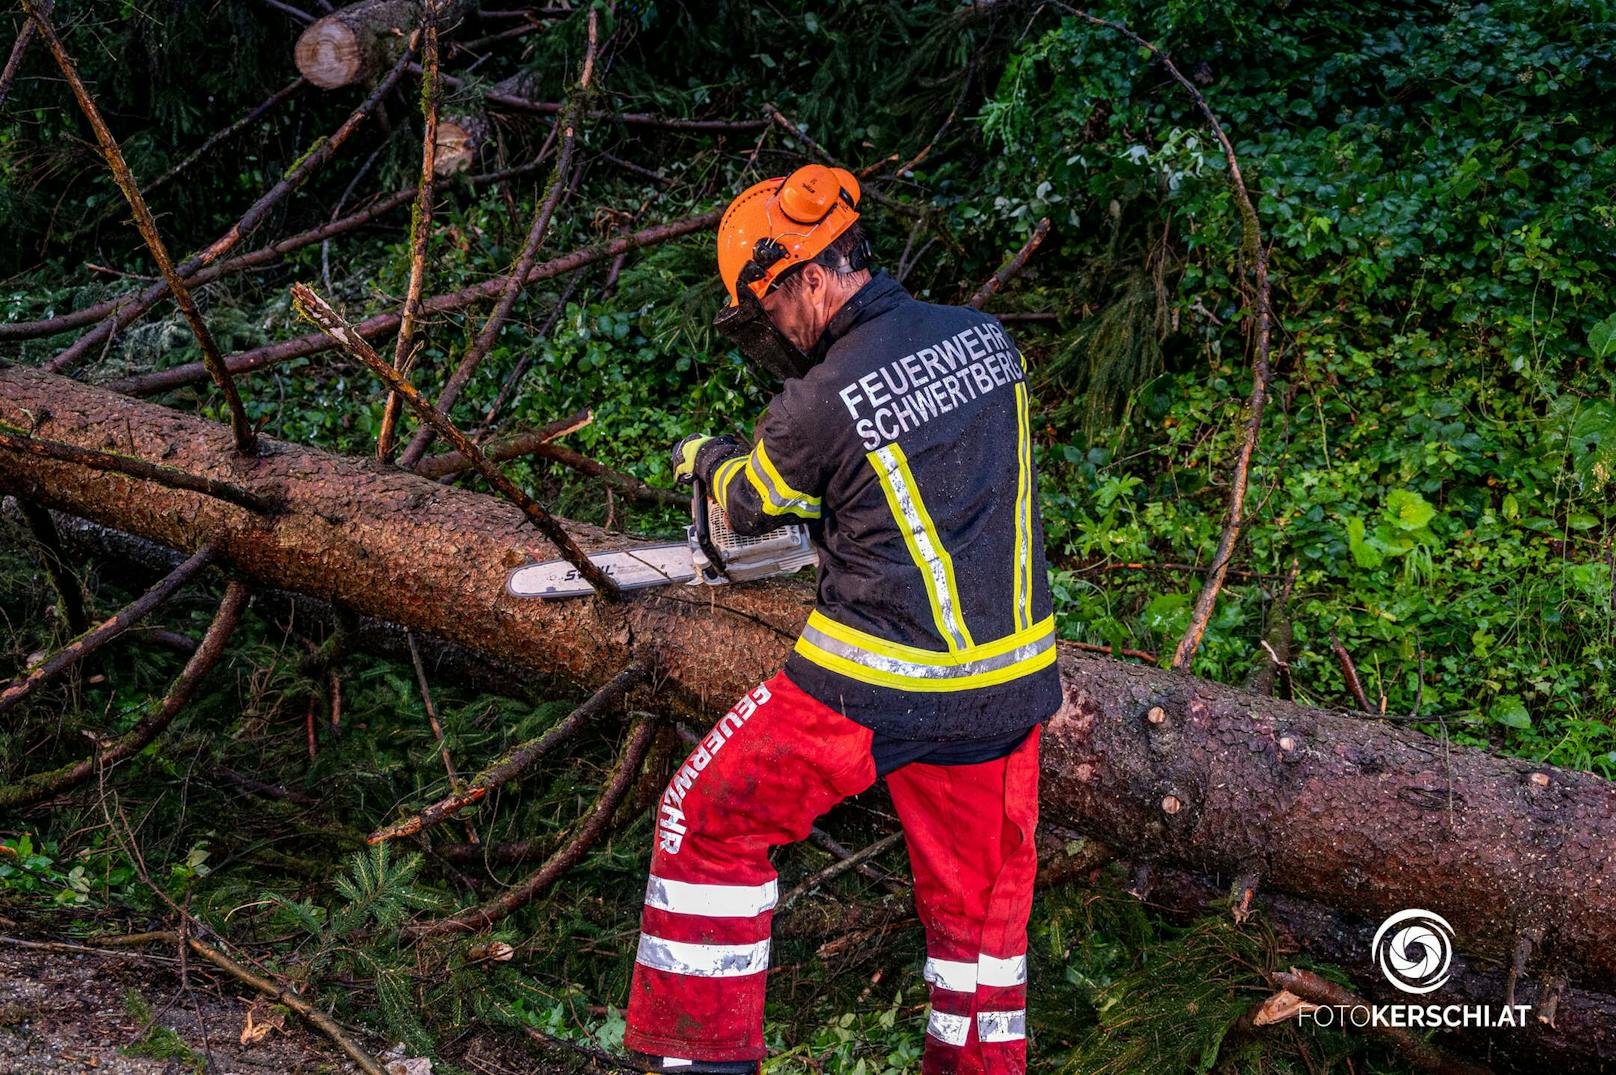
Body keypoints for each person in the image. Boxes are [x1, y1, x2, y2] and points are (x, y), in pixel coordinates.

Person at [624, 164, 1061, 1075]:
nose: (776, 331)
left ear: (808, 279)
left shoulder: (818, 398)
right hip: (1011, 687)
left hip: (875, 681)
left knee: (702, 822)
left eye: (769, 309)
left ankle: (705, 1059)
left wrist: (707, 458)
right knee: (981, 921)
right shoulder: (987, 339)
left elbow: (751, 504)